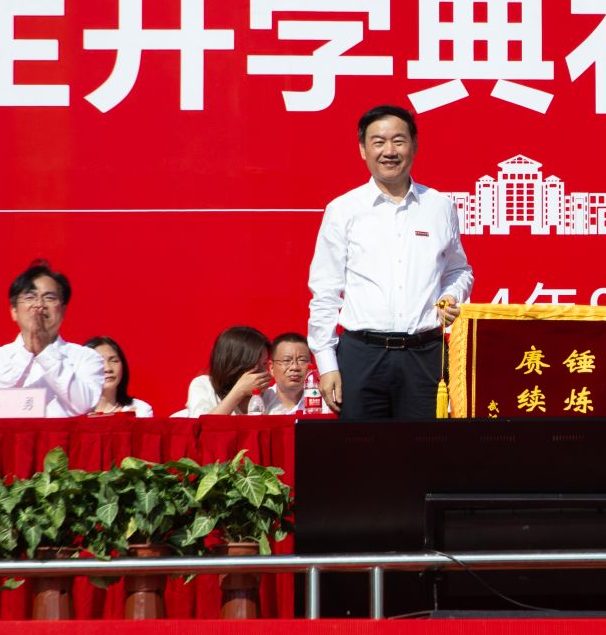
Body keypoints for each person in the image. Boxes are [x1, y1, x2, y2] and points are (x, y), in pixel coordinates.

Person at [308, 104, 472, 420]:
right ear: (363, 149)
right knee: (361, 448)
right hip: (361, 355)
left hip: (426, 355)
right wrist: (327, 364)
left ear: (414, 145)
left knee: (428, 447)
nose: (389, 151)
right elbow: (325, 291)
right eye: (378, 142)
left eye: (399, 141)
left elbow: (458, 269)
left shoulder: (439, 206)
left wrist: (451, 295)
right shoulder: (344, 209)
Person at [0, 259, 105, 416]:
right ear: (14, 311)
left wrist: (45, 351)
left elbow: (84, 405)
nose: (39, 305)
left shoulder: (86, 357)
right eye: (30, 297)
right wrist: (28, 351)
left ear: (63, 310)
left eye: (49, 298)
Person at [174, 326, 272, 416]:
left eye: (264, 363)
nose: (263, 372)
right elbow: (202, 426)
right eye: (254, 366)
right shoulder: (203, 385)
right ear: (235, 365)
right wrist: (239, 391)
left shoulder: (269, 395)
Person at [87, 335, 153, 416]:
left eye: (114, 361)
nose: (108, 369)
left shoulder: (140, 410)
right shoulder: (74, 412)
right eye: (99, 362)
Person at [260, 331, 318, 414]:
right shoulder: (260, 400)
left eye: (302, 360)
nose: (295, 367)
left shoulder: (324, 400)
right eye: (286, 360)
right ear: (271, 368)